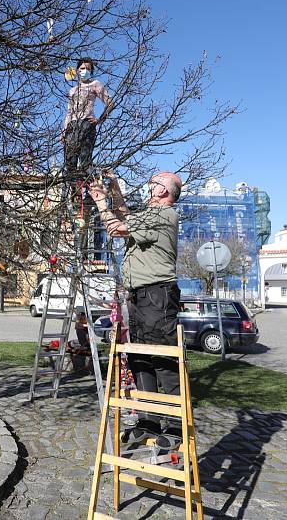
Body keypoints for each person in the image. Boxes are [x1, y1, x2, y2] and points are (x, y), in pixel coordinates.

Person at [89, 171, 183, 447]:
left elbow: (117, 228)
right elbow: (127, 214)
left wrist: (101, 203)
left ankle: (175, 427)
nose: (149, 185)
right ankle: (149, 422)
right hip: (139, 295)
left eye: (155, 182)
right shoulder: (149, 216)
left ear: (165, 191)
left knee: (162, 359)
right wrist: (114, 186)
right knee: (139, 358)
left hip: (157, 294)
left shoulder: (164, 216)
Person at [61, 58, 114, 177]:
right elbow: (69, 112)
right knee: (69, 162)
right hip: (71, 126)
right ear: (78, 70)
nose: (85, 71)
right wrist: (64, 132)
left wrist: (100, 119)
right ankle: (73, 193)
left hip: (87, 123)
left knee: (85, 161)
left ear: (91, 71)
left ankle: (89, 193)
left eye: (88, 69)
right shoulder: (72, 90)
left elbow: (110, 103)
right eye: (82, 68)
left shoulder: (95, 84)